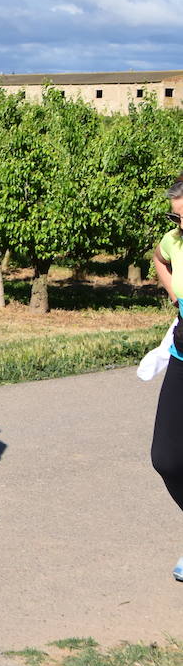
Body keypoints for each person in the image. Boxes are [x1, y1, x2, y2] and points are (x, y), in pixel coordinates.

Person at [149, 174, 183, 581]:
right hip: (182, 354)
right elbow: (159, 256)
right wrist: (173, 290)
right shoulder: (174, 240)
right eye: (177, 219)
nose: (180, 227)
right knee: (167, 458)